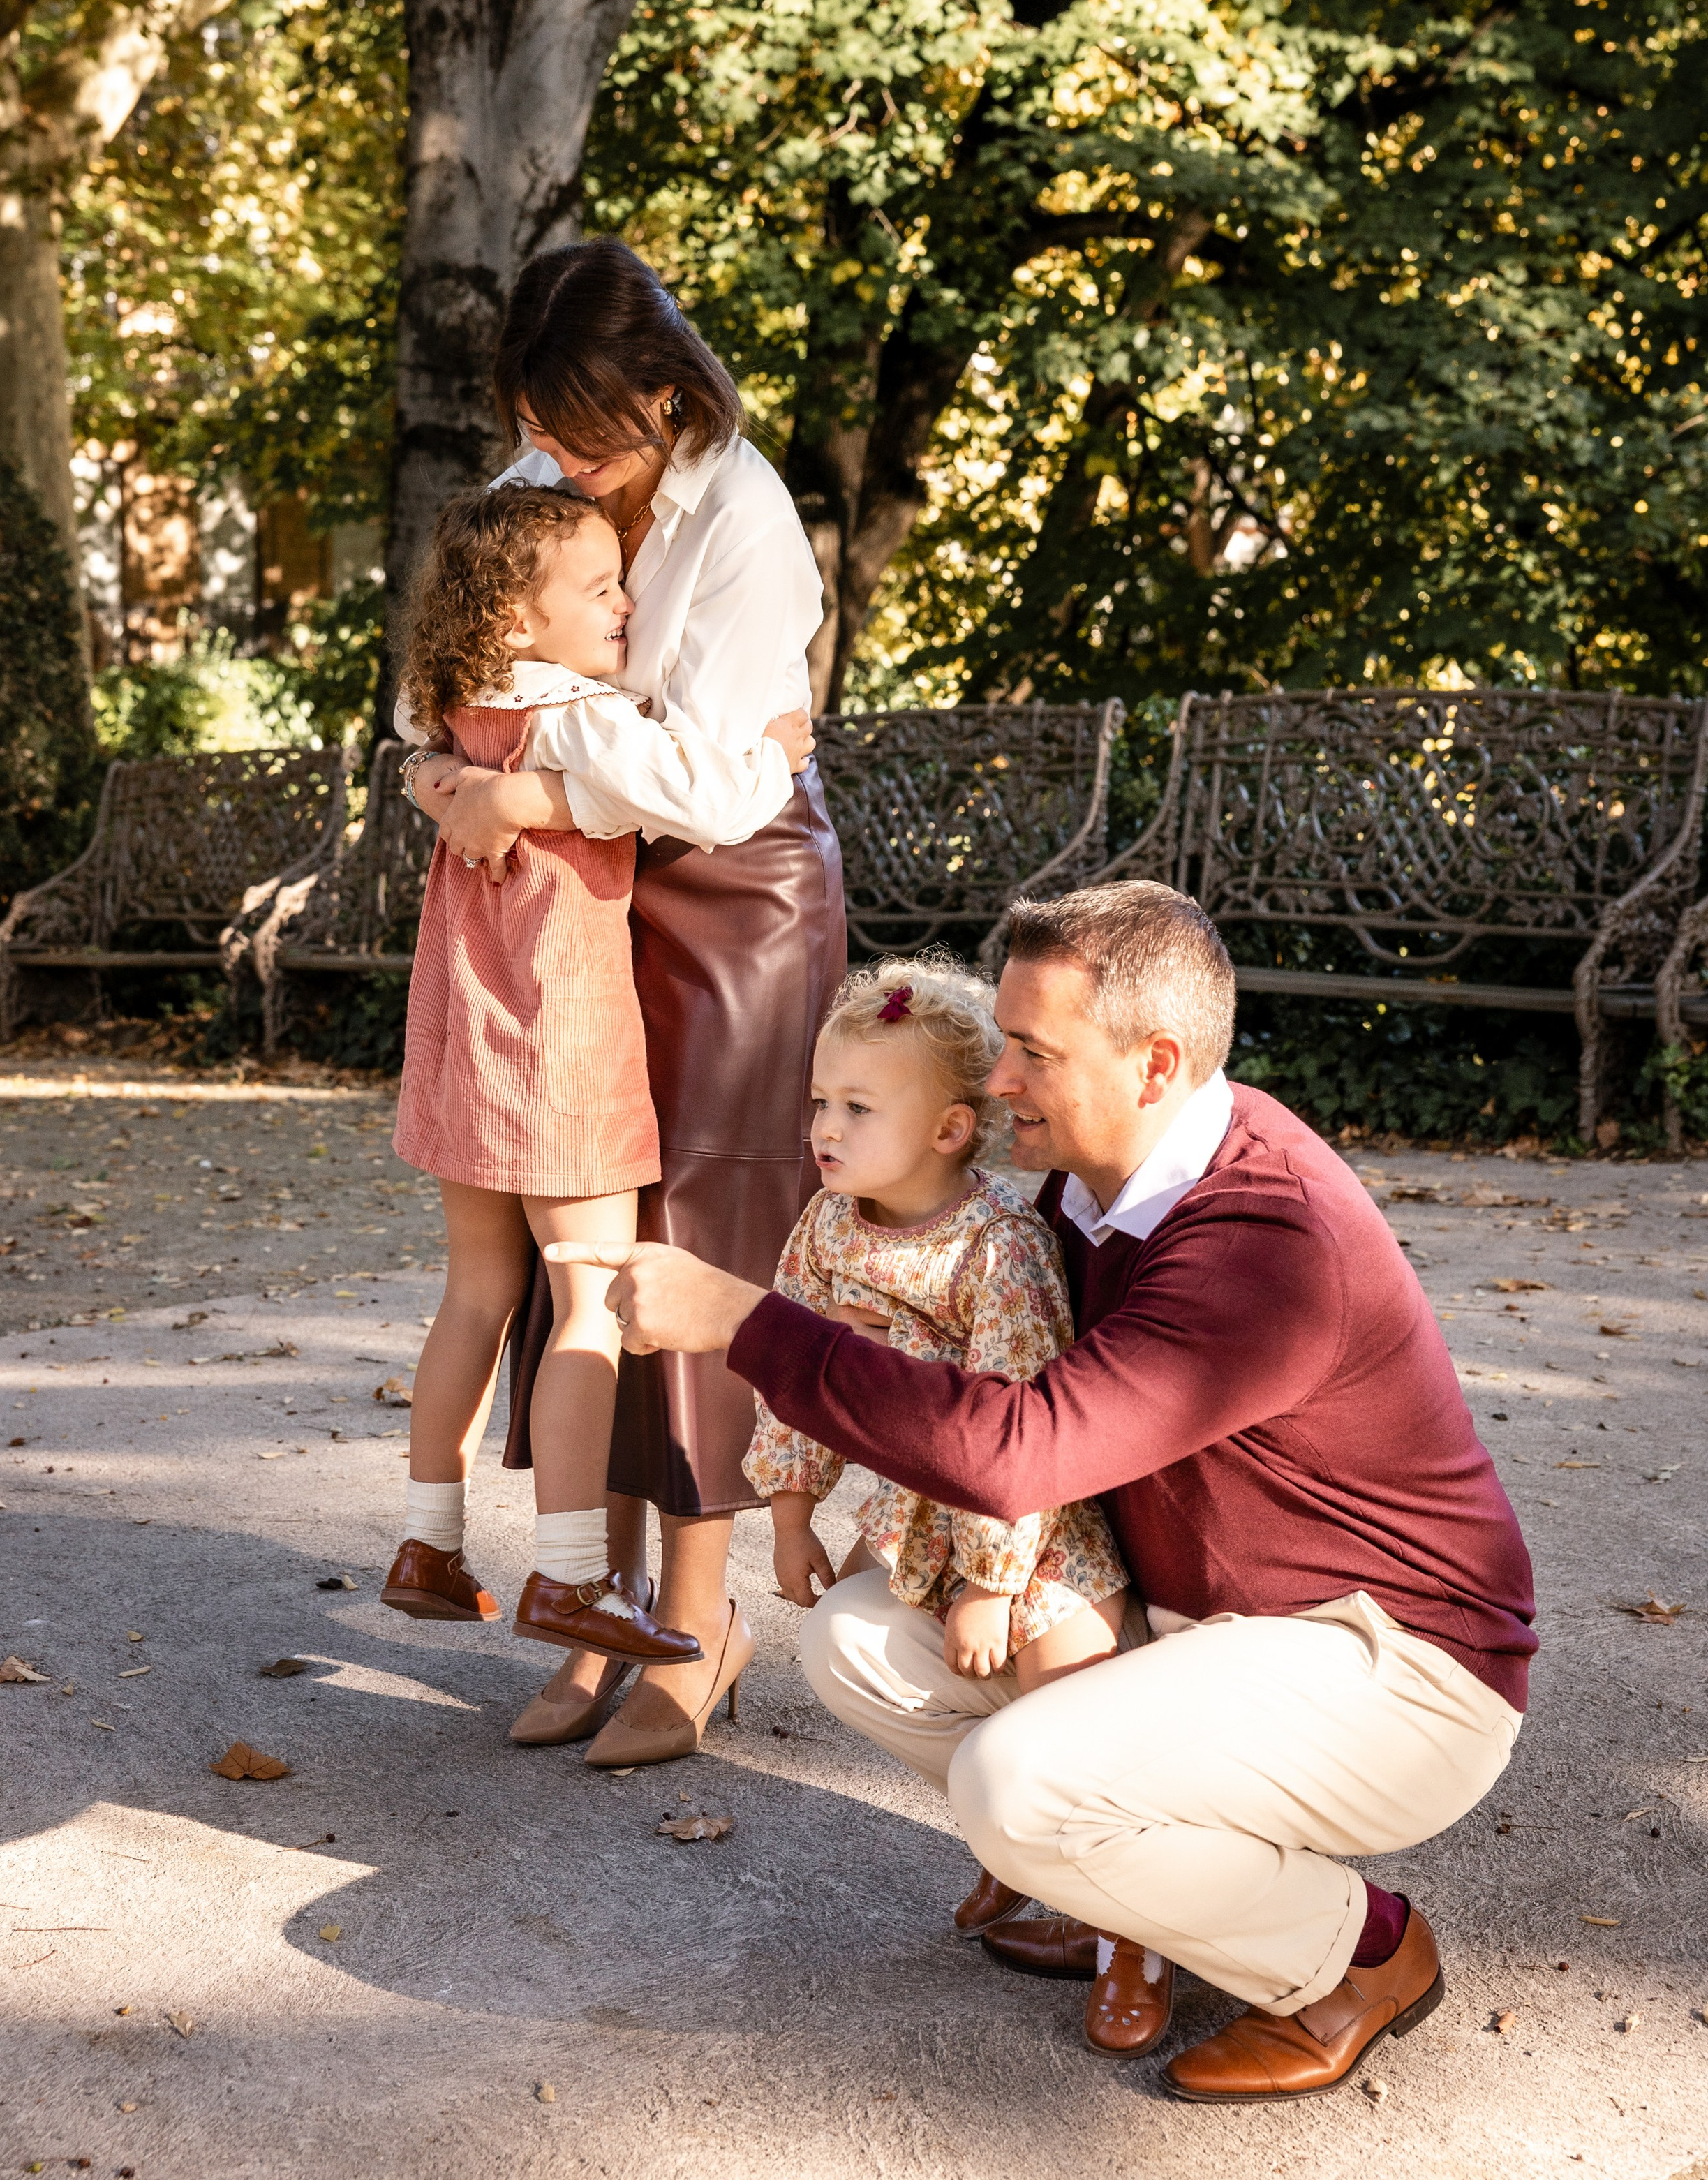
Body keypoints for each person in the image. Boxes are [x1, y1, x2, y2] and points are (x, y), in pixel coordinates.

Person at [584, 881, 1538, 2100]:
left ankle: (1355, 1955)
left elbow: (1020, 1449)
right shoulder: (1075, 1197)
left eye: (1033, 1053)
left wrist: (742, 1322)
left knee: (1014, 1784)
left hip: (1389, 1662)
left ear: (1156, 1066)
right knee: (857, 1640)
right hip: (1209, 1624)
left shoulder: (1264, 1240)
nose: (997, 1085)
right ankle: (1136, 1891)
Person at [409, 237, 847, 1765]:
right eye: (543, 430)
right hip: (580, 906)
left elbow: (729, 789)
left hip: (735, 912)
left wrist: (527, 786)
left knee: (690, 1253)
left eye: (587, 437)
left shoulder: (749, 523)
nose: (563, 467)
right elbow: (466, 660)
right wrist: (456, 771)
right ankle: (584, 1598)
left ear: (665, 397)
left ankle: (698, 1622)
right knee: (567, 1249)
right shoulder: (553, 459)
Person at [383, 483, 803, 1669]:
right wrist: (773, 746)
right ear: (520, 618)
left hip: (462, 1037)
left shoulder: (457, 708)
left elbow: (418, 756)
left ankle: (427, 1541)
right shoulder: (577, 718)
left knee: (474, 1296)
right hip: (558, 1043)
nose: (627, 603)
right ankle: (569, 1577)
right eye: (601, 587)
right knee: (586, 1301)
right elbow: (706, 792)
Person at [729, 951, 1171, 2050]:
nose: (825, 1128)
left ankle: (1137, 1939)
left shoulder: (999, 1246)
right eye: (821, 1102)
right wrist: (792, 1513)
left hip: (1034, 1531)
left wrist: (990, 1587)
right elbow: (789, 1371)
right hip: (918, 1522)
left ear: (950, 1132)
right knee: (908, 1675)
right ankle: (1018, 1854)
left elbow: (1016, 1431)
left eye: (859, 1107)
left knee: (1062, 1700)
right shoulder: (828, 1228)